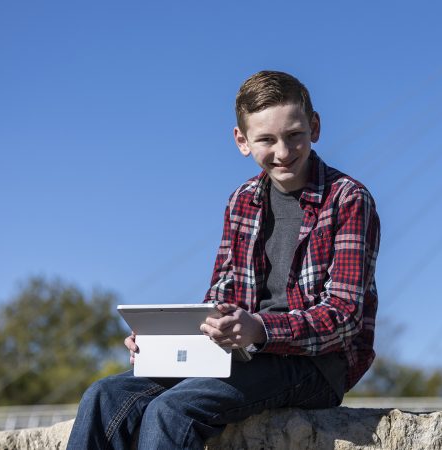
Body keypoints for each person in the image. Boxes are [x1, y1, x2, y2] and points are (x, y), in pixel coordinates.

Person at [67, 70, 381, 450]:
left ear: (314, 127)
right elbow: (221, 294)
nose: (283, 152)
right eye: (266, 139)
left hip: (316, 363)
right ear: (242, 141)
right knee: (103, 396)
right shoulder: (241, 201)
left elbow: (344, 316)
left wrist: (260, 330)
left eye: (294, 135)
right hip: (238, 355)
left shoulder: (348, 199)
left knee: (173, 409)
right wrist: (163, 340)